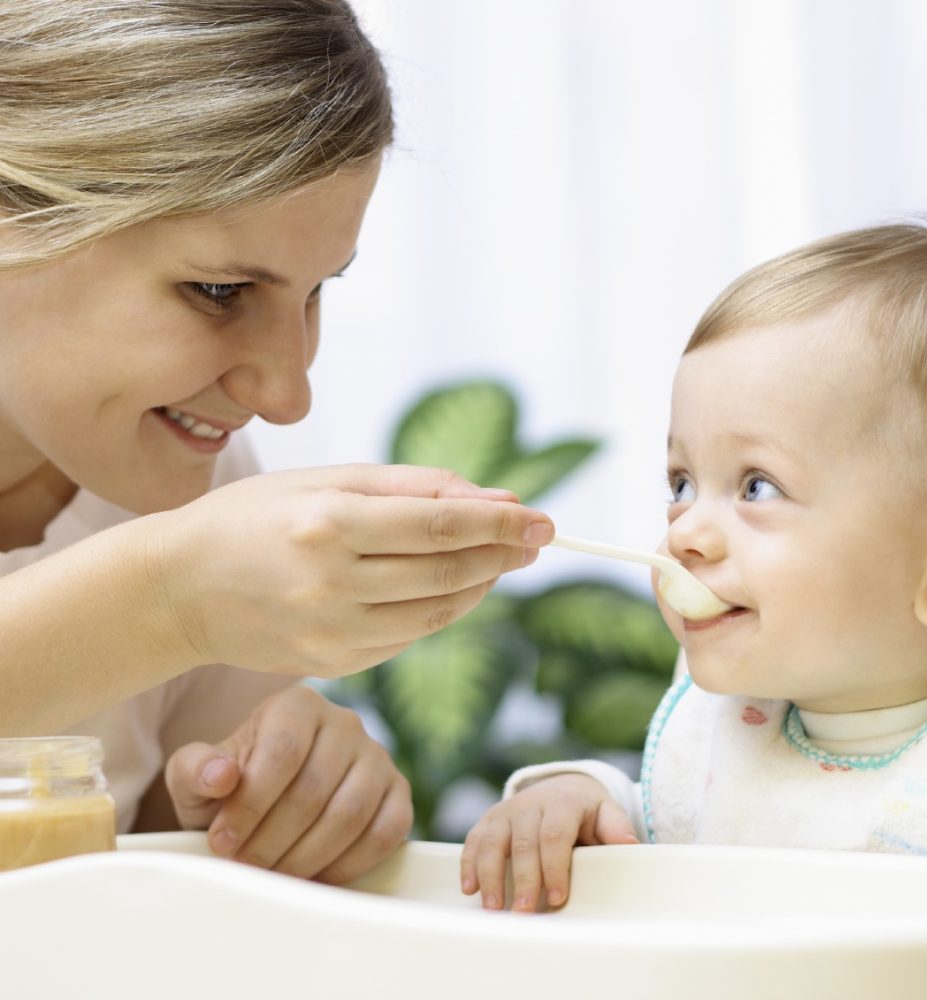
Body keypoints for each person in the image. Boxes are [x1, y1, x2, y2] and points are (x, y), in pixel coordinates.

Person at [0, 1, 554, 884]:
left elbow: (148, 862)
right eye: (219, 290)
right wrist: (164, 599)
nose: (285, 395)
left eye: (317, 291)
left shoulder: (179, 466)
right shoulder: (175, 531)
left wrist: (280, 797)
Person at [461, 217, 927, 912]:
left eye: (757, 487)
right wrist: (582, 799)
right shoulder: (722, 724)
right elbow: (663, 830)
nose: (686, 531)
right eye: (681, 483)